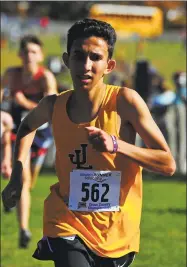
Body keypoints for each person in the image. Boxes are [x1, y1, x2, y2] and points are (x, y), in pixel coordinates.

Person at [2, 19, 176, 267]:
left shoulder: (125, 102)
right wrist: (18, 174)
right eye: (78, 56)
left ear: (109, 65)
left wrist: (116, 145)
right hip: (65, 219)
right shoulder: (53, 105)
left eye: (95, 57)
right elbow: (27, 126)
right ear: (66, 60)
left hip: (116, 230)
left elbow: (167, 163)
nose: (85, 66)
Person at [1, 34, 58, 248]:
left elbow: (51, 106)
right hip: (18, 130)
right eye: (25, 52)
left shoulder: (46, 77)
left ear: (41, 55)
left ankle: (13, 195)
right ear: (19, 55)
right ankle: (23, 229)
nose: (29, 56)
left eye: (34, 52)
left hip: (41, 132)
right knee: (22, 176)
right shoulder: (11, 74)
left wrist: (23, 100)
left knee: (30, 181)